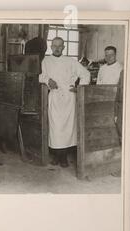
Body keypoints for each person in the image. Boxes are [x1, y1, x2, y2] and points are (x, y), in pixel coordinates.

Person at [39, 37, 90, 168]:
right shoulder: (46, 61)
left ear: (63, 47)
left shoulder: (70, 61)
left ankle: (64, 157)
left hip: (68, 98)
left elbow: (85, 74)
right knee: (55, 128)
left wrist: (79, 88)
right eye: (54, 45)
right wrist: (48, 80)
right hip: (55, 97)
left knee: (68, 129)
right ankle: (57, 155)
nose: (57, 48)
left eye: (59, 46)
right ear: (51, 47)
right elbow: (41, 75)